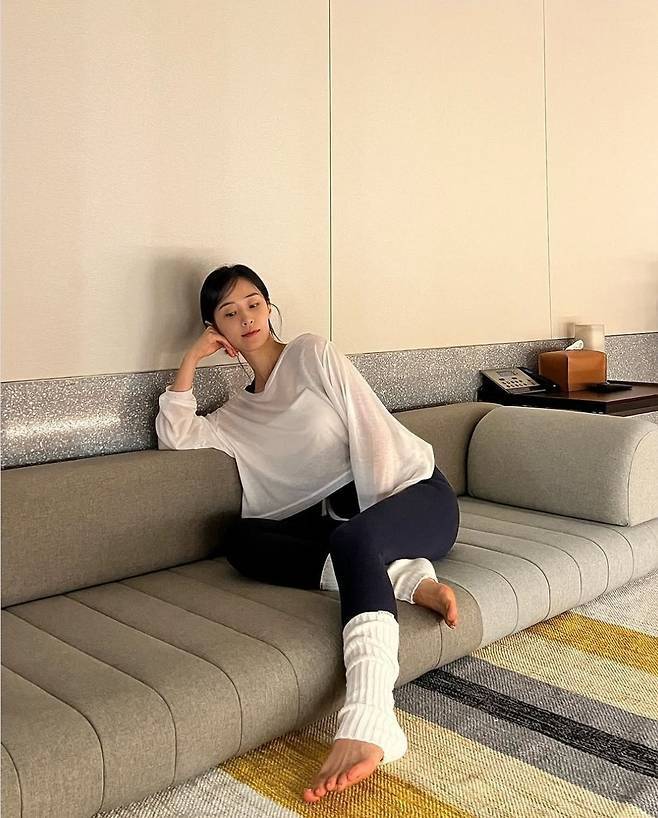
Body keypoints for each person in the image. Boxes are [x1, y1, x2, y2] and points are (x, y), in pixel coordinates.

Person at [155, 264, 461, 803]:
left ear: (269, 307)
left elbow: (373, 432)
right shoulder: (236, 415)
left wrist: (371, 529)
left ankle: (369, 717)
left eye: (253, 303)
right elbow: (177, 437)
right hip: (347, 528)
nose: (246, 318)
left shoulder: (311, 353)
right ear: (216, 330)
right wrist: (190, 362)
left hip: (412, 496)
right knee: (239, 539)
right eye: (229, 312)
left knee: (353, 541)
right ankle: (406, 581)